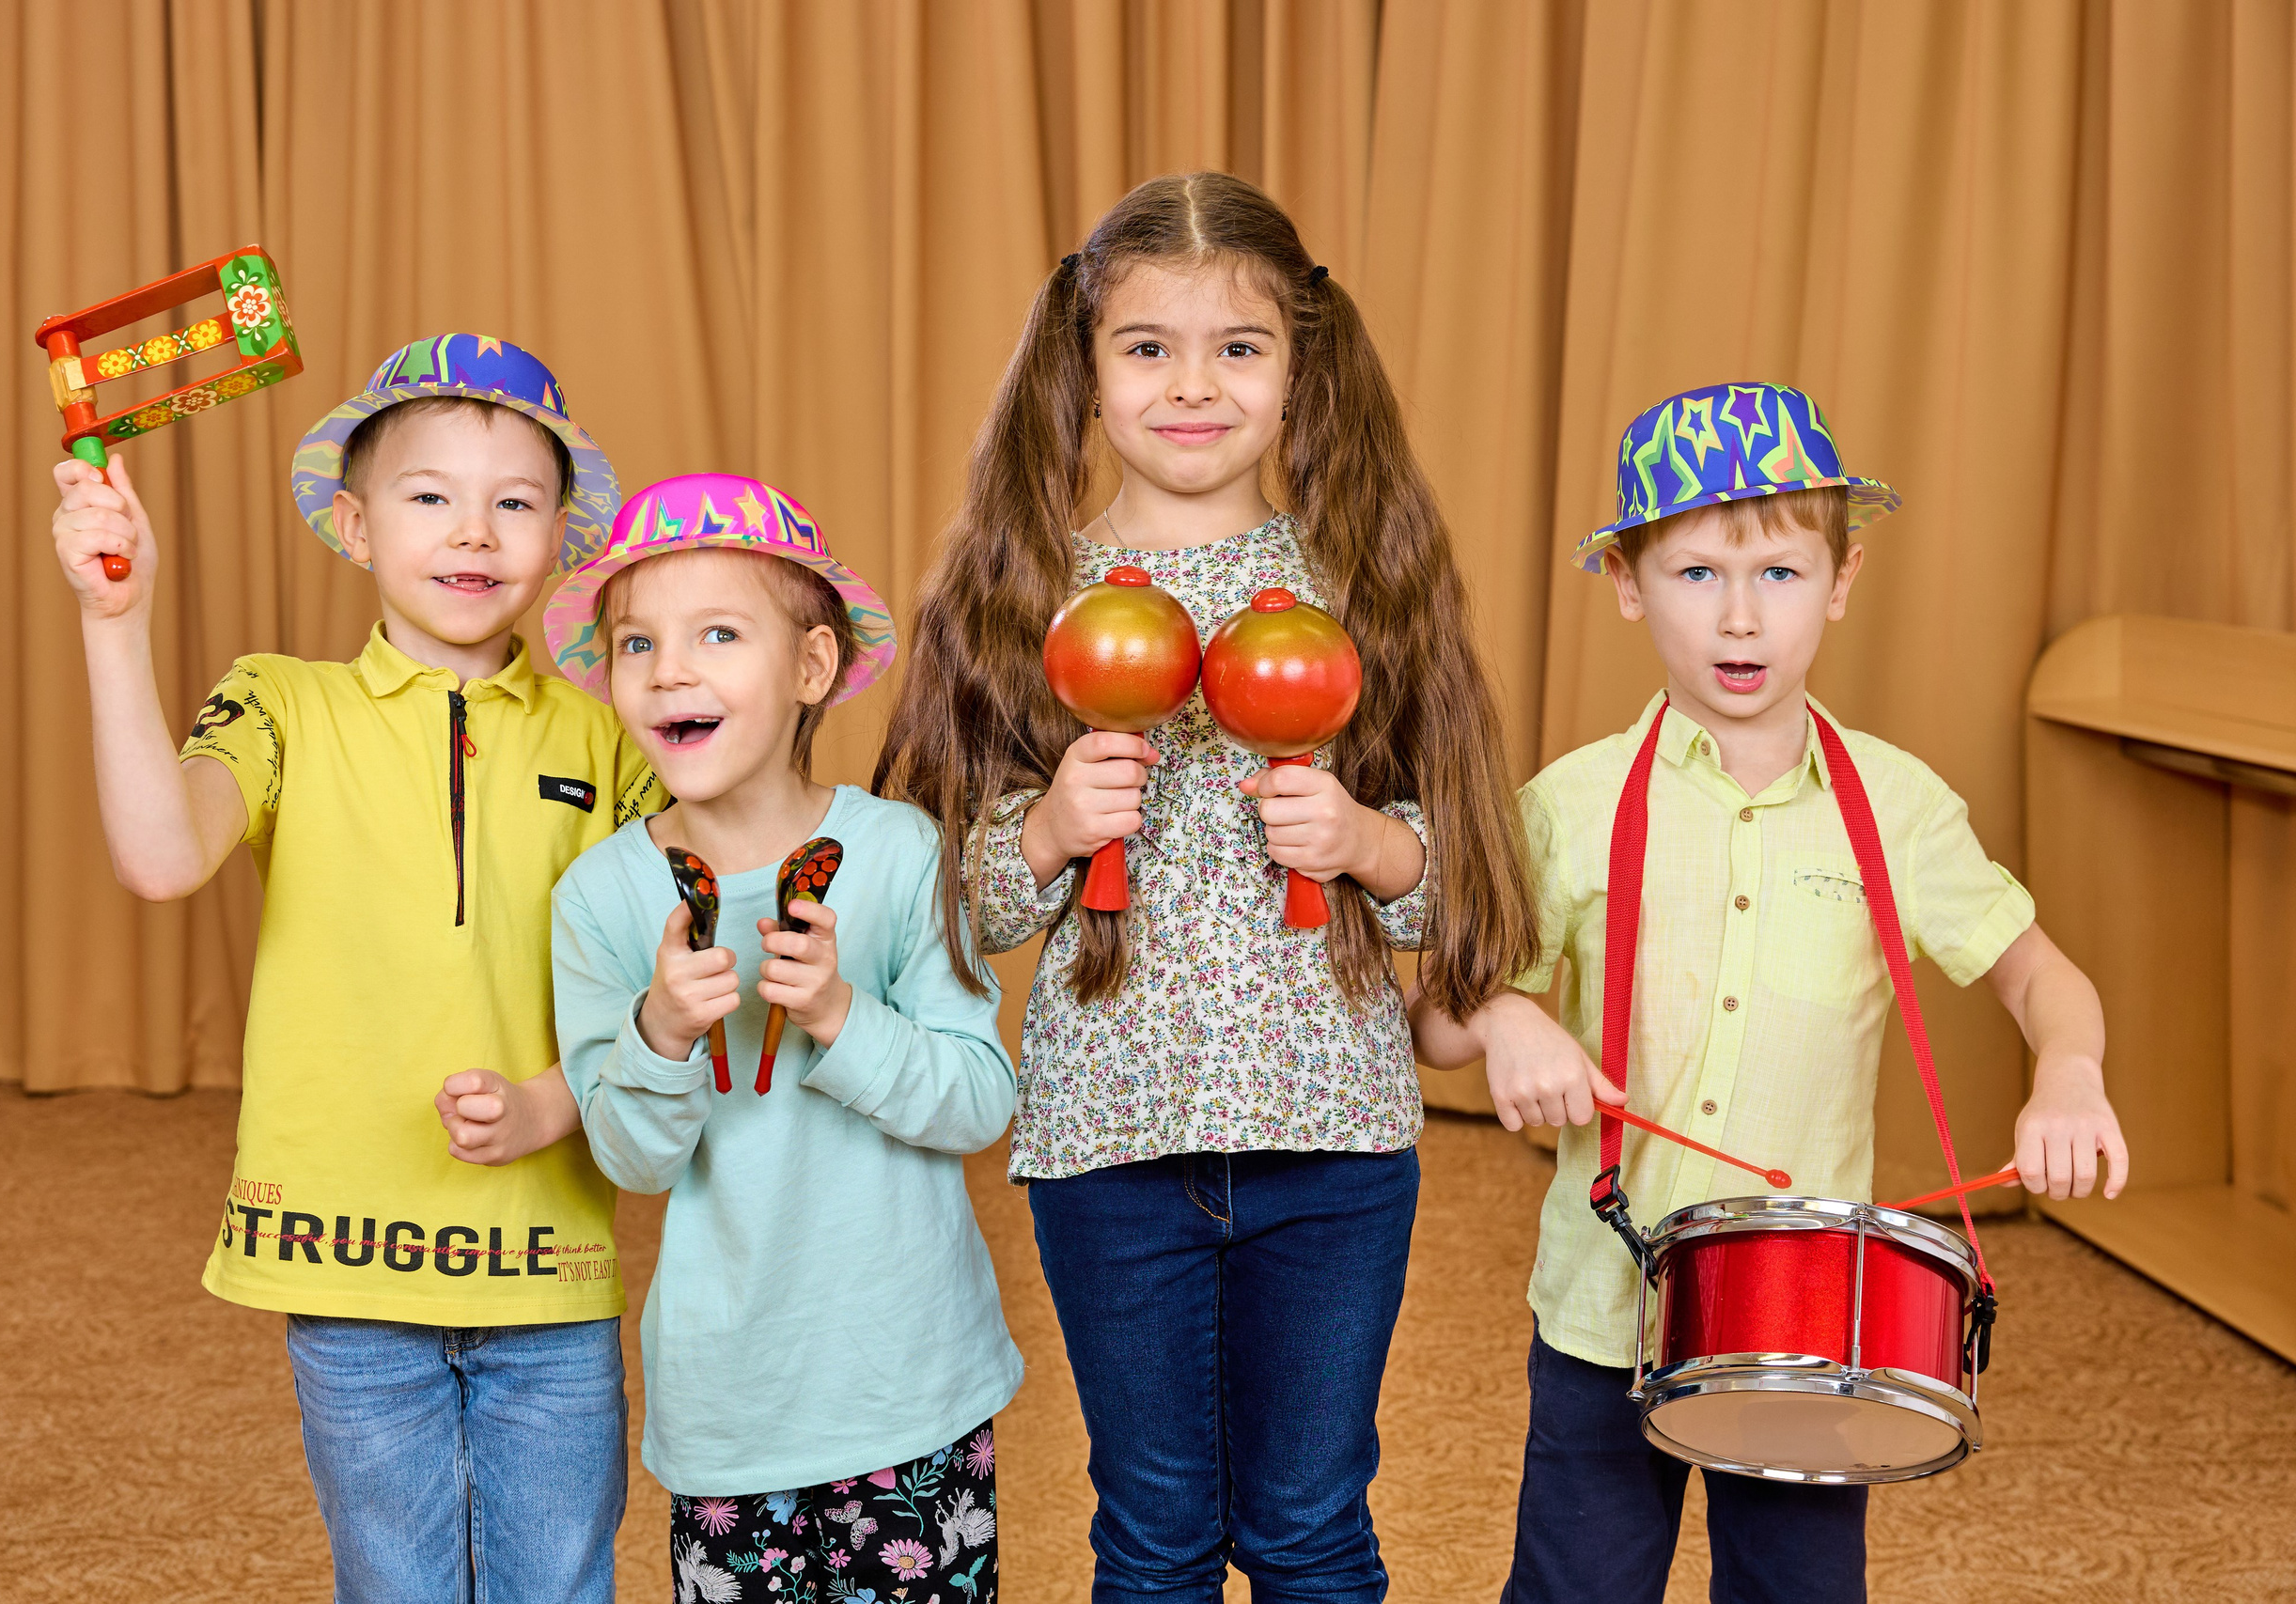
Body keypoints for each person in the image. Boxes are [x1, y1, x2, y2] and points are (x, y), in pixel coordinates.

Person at [873, 172, 1538, 1603]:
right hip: (1110, 1137)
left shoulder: (1361, 579)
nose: (1193, 383)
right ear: (1085, 373)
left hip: (1336, 1133)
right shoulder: (1020, 589)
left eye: (1238, 347)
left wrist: (1364, 841)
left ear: (1303, 371)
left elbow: (1459, 888)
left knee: (1310, 1523)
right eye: (1147, 346)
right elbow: (939, 914)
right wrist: (1048, 827)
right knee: (1158, 1529)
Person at [1409, 382, 2132, 1603]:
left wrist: (2070, 1069)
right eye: (1695, 574)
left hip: (1810, 1330)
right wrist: (1508, 1015)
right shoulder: (1569, 806)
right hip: (1602, 1315)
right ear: (1630, 582)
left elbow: (2040, 974)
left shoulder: (1899, 804)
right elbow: (1438, 1012)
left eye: (1782, 575)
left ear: (1841, 578)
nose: (1740, 619)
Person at [49, 335, 657, 1603]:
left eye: (514, 501)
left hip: (547, 1254)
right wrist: (121, 623)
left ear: (565, 538)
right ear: (356, 523)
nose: (472, 531)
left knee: (561, 1576)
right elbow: (163, 855)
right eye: (429, 494)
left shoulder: (610, 735)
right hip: (343, 1253)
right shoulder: (279, 701)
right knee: (398, 1580)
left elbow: (679, 953)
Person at [543, 473, 1020, 1604]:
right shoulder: (599, 897)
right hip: (729, 1410)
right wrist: (658, 1033)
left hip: (912, 1391)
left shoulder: (901, 855)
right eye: (636, 643)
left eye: (717, 633)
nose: (670, 669)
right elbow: (633, 1160)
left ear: (811, 667)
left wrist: (842, 1019)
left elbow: (980, 1099)